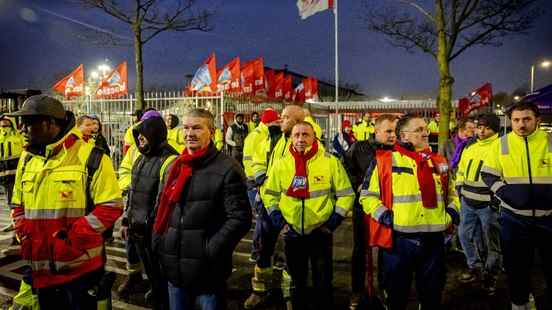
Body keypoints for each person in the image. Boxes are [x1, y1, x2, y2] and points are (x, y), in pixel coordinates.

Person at [8, 95, 123, 308]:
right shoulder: (27, 158)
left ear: (50, 123)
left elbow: (111, 206)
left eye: (29, 123)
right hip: (40, 269)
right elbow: (17, 203)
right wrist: (24, 233)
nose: (22, 129)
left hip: (79, 271)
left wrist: (71, 239)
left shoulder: (92, 157)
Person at [152, 108, 251, 310]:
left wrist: (210, 249)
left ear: (212, 133)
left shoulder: (228, 169)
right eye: (186, 128)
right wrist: (160, 241)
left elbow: (240, 219)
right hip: (175, 270)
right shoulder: (175, 167)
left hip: (207, 272)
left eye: (197, 128)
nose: (189, 134)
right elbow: (162, 207)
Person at [359, 114, 459, 310]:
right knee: (397, 297)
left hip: (434, 242)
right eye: (419, 130)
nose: (425, 133)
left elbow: (453, 194)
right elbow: (367, 196)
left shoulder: (439, 161)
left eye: (425, 129)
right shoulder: (384, 161)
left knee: (431, 296)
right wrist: (387, 218)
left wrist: (452, 215)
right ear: (403, 136)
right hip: (398, 242)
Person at [263, 121, 354, 309]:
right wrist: (279, 222)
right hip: (292, 233)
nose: (300, 139)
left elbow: (346, 194)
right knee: (297, 283)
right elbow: (269, 194)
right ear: (290, 137)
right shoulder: (281, 164)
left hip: (320, 233)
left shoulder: (330, 162)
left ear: (314, 138)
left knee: (323, 282)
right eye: (296, 135)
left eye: (305, 135)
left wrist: (332, 223)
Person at [481, 102, 552, 310]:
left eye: (527, 119)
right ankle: (519, 304)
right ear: (510, 121)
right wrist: (507, 194)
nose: (521, 124)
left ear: (538, 120)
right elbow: (488, 174)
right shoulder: (501, 144)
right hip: (514, 219)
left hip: (549, 218)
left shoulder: (550, 141)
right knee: (516, 268)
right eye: (516, 120)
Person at [118, 110, 178, 309]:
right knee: (152, 273)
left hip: (155, 235)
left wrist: (153, 232)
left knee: (163, 276)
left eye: (143, 135)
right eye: (138, 136)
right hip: (139, 232)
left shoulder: (169, 160)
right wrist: (127, 220)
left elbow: (164, 204)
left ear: (154, 133)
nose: (139, 139)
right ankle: (157, 293)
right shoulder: (141, 158)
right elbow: (133, 196)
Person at [343, 114, 397, 309]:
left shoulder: (398, 152)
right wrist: (358, 185)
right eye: (388, 131)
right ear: (376, 130)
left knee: (387, 249)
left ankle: (384, 288)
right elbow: (345, 169)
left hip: (388, 208)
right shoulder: (359, 148)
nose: (393, 135)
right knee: (360, 249)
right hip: (363, 208)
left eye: (395, 131)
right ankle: (357, 291)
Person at [456, 113, 501, 293]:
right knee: (464, 236)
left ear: (495, 129)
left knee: (492, 244)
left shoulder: (501, 147)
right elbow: (461, 170)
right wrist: (459, 188)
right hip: (468, 202)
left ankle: (491, 276)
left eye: (486, 127)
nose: (481, 130)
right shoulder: (470, 145)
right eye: (479, 126)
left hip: (488, 206)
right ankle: (475, 268)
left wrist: (497, 199)